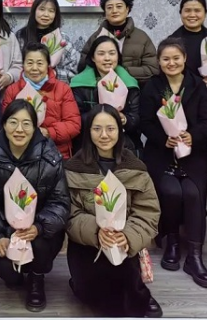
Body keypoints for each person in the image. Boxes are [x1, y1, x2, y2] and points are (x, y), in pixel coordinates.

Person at [64, 105, 162, 318]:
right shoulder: (73, 167)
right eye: (97, 129)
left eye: (110, 128)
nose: (104, 135)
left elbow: (148, 211)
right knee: (96, 294)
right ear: (88, 132)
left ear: (119, 131)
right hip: (87, 243)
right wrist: (96, 231)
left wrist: (127, 236)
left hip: (123, 239)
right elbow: (70, 213)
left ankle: (139, 292)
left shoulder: (135, 167)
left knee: (126, 288)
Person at [0, 100, 70, 312]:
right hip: (4, 227)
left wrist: (38, 226)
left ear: (35, 127)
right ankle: (18, 274)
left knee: (39, 246)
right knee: (8, 273)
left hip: (40, 231)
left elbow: (60, 202)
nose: (19, 129)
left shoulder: (50, 156)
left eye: (26, 124)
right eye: (13, 122)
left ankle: (37, 280)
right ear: (3, 124)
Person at [139, 37, 207, 288]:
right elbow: (145, 121)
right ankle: (171, 241)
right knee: (171, 191)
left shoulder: (197, 85)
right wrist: (164, 140)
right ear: (159, 62)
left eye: (176, 58)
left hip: (193, 153)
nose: (171, 63)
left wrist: (193, 136)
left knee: (192, 193)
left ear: (185, 59)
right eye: (165, 59)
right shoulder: (153, 86)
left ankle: (194, 255)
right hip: (161, 153)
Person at [2, 43, 81, 160]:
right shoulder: (12, 90)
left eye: (40, 63)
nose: (34, 68)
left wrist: (48, 132)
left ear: (48, 65)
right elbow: (6, 122)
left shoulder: (63, 89)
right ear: (23, 64)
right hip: (21, 154)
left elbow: (74, 125)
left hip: (56, 153)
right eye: (29, 63)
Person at [71, 36, 141, 152]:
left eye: (112, 53)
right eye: (101, 54)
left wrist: (125, 119)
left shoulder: (129, 84)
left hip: (124, 145)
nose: (107, 58)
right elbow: (75, 118)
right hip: (87, 144)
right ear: (93, 57)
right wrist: (99, 118)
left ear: (118, 57)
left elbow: (137, 119)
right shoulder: (79, 84)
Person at [78, 0, 158, 85]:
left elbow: (152, 69)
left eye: (119, 6)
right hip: (100, 90)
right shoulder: (96, 37)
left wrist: (122, 71)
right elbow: (83, 66)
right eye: (109, 7)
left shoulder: (142, 38)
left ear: (127, 9)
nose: (114, 11)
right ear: (105, 12)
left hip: (135, 91)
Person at [15, 0, 80, 83]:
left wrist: (55, 73)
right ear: (34, 11)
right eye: (42, 9)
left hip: (54, 88)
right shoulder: (21, 36)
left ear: (55, 14)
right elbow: (15, 65)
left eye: (51, 11)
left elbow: (73, 71)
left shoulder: (63, 38)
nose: (46, 14)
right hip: (25, 87)